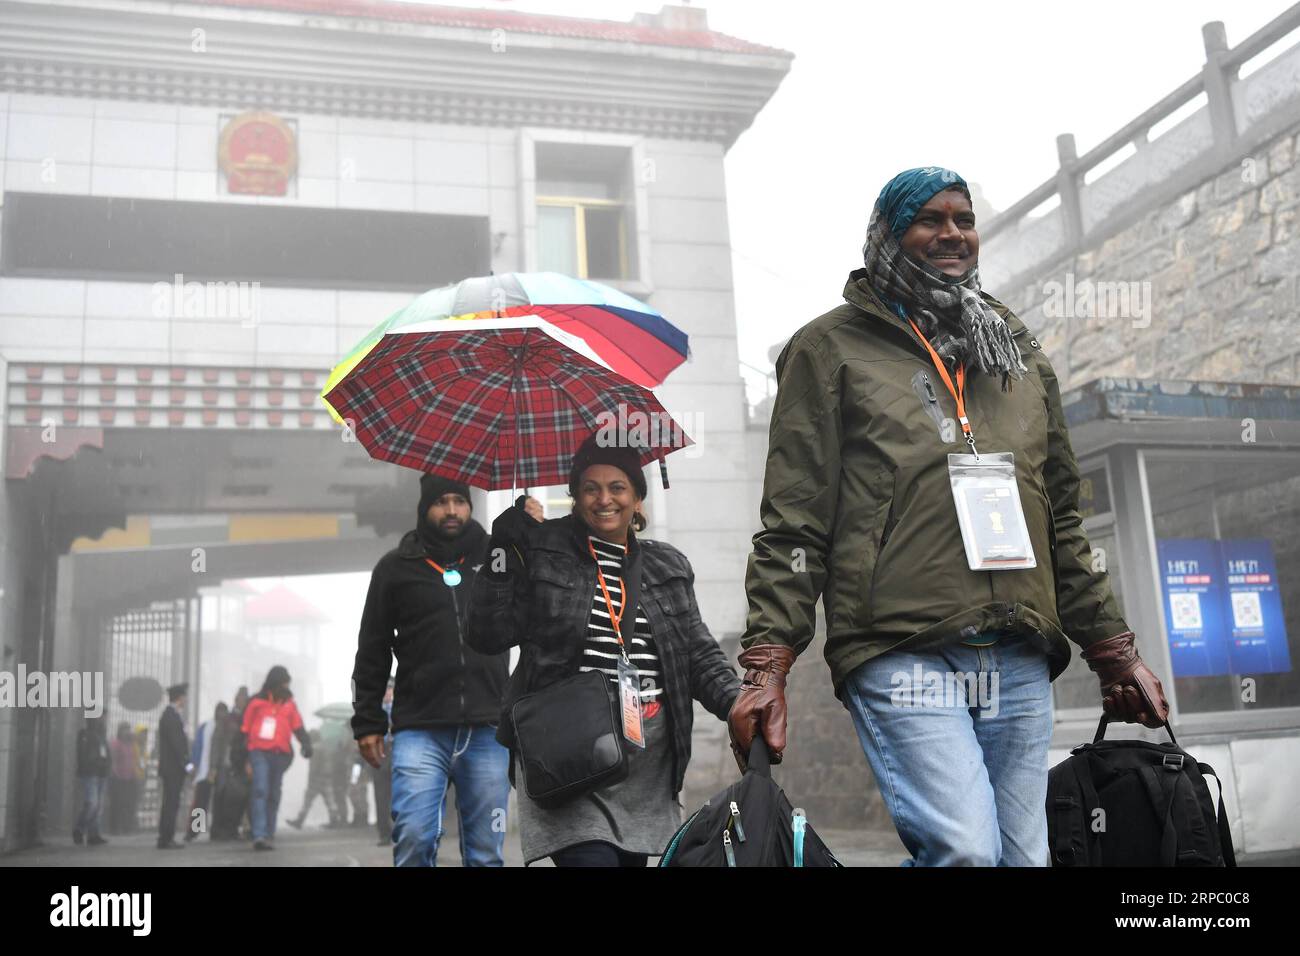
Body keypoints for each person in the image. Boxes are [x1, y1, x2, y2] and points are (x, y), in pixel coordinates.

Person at [730, 166, 1171, 867]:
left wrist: (1114, 650)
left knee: (1022, 861)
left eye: (963, 219)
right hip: (899, 643)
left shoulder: (1014, 349)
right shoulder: (828, 350)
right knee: (965, 851)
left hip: (1017, 644)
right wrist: (765, 666)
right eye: (929, 219)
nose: (952, 234)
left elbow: (1061, 518)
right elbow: (794, 523)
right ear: (888, 234)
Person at [469, 431, 741, 867]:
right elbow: (486, 635)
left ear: (637, 498)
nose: (604, 499)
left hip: (645, 762)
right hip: (567, 754)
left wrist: (739, 706)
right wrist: (502, 551)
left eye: (617, 488)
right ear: (574, 497)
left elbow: (697, 654)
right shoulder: (540, 549)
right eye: (590, 488)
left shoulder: (667, 564)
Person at [353, 474, 512, 868]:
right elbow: (372, 648)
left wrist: (528, 535)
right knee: (414, 837)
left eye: (460, 500)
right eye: (441, 502)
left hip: (488, 729)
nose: (452, 510)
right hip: (420, 729)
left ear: (471, 505)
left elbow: (542, 610)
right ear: (425, 508)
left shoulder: (499, 559)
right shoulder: (395, 568)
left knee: (486, 853)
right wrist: (368, 720)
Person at [241, 666, 312, 851]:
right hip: (258, 752)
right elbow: (244, 729)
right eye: (284, 683)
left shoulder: (289, 704)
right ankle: (259, 834)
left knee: (273, 793)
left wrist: (306, 743)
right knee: (260, 789)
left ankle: (269, 833)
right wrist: (241, 758)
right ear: (276, 683)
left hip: (280, 755)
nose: (287, 686)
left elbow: (298, 726)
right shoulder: (256, 702)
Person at [211, 686, 250, 841]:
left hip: (237, 765)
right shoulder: (225, 720)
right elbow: (215, 744)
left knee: (236, 798)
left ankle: (229, 828)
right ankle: (196, 829)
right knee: (215, 797)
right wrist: (212, 766)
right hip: (223, 765)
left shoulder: (245, 719)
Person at [156, 683, 192, 850]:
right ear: (179, 698)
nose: (185, 700)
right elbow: (178, 744)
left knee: (171, 802)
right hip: (173, 768)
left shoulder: (171, 715)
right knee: (171, 803)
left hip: (173, 768)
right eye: (184, 696)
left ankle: (166, 837)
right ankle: (166, 837)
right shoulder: (170, 716)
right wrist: (187, 764)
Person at [185, 701, 227, 841]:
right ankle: (195, 831)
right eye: (219, 711)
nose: (221, 714)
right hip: (204, 769)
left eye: (223, 711)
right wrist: (194, 766)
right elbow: (197, 747)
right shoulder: (205, 727)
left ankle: (216, 831)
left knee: (219, 802)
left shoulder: (227, 727)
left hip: (220, 770)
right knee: (201, 801)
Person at [287, 729, 338, 830]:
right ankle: (334, 821)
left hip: (316, 778)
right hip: (327, 777)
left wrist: (310, 780)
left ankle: (299, 820)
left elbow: (313, 767)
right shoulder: (325, 747)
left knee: (307, 801)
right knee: (330, 801)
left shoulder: (315, 748)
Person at [73, 715, 110, 846]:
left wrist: (105, 768)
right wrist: (90, 766)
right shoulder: (85, 734)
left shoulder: (101, 735)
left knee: (98, 806)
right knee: (92, 803)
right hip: (90, 773)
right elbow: (83, 755)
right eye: (101, 718)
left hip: (101, 773)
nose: (103, 720)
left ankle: (93, 834)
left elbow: (106, 754)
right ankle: (79, 828)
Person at [369, 679, 395, 846]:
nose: (387, 692)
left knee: (400, 793)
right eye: (384, 689)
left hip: (397, 748)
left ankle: (401, 831)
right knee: (381, 795)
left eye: (390, 688)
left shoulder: (400, 709)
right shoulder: (373, 710)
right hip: (379, 751)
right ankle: (383, 833)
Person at [108, 721, 137, 835]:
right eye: (125, 729)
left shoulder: (130, 744)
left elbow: (133, 760)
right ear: (120, 731)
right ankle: (114, 828)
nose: (127, 731)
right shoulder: (116, 743)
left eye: (128, 729)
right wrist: (114, 772)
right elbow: (113, 759)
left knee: (128, 803)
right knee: (117, 803)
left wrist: (134, 773)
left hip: (129, 778)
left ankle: (127, 827)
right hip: (118, 778)